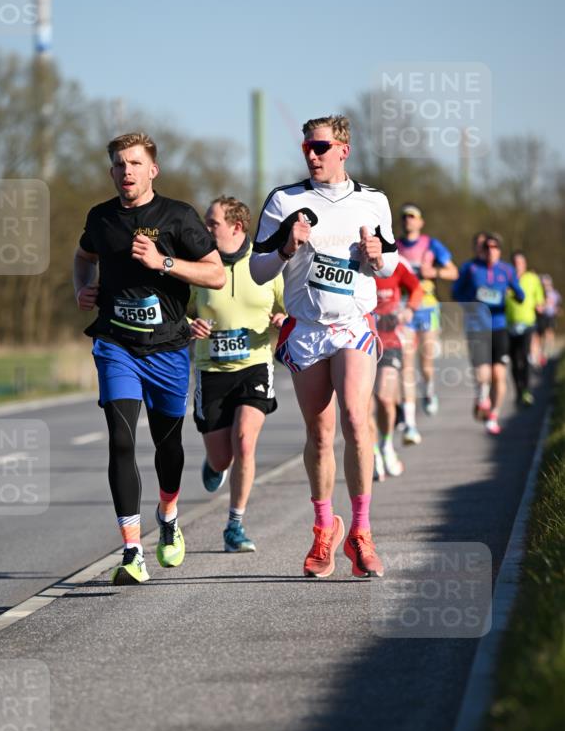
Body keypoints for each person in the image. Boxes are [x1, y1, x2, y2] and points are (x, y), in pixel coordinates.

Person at [250, 114, 399, 579]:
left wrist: (377, 257)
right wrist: (286, 250)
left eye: (320, 147)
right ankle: (323, 527)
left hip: (353, 324)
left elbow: (390, 265)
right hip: (307, 329)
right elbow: (257, 270)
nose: (312, 155)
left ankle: (361, 531)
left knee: (356, 419)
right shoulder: (284, 201)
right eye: (306, 148)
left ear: (343, 151)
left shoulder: (373, 201)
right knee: (319, 434)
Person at [74, 132, 225, 585]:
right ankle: (132, 550)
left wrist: (164, 263)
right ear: (112, 171)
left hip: (169, 348)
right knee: (121, 440)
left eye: (135, 164)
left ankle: (169, 514)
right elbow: (83, 257)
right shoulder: (100, 218)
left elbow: (216, 273)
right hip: (116, 344)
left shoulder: (178, 217)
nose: (127, 172)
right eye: (119, 165)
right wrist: (81, 287)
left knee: (168, 447)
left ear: (152, 169)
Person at [189, 196, 285, 552]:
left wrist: (282, 320)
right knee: (221, 458)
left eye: (211, 223)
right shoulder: (197, 266)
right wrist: (189, 324)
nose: (205, 229)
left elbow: (290, 309)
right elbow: (176, 312)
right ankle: (215, 465)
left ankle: (235, 525)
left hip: (255, 364)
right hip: (211, 371)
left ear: (236, 227)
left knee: (245, 440)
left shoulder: (264, 265)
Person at [395, 204, 457, 442]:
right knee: (406, 365)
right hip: (406, 309)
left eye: (412, 217)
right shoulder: (396, 246)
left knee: (427, 362)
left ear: (420, 222)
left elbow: (454, 272)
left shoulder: (432, 245)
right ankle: (410, 423)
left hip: (429, 307)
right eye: (404, 217)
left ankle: (429, 390)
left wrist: (435, 273)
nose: (408, 221)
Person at [453, 232, 524, 435]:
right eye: (487, 247)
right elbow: (456, 292)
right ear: (482, 250)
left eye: (494, 247)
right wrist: (471, 302)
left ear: (500, 250)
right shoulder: (471, 268)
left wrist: (517, 295)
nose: (490, 251)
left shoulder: (507, 270)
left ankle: (493, 415)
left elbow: (519, 293)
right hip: (477, 326)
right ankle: (482, 396)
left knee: (498, 374)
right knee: (482, 372)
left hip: (499, 327)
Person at [372, 260, 424, 480]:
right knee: (361, 407)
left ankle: (386, 445)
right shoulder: (352, 261)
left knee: (384, 398)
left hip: (390, 341)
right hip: (358, 340)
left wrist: (409, 310)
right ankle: (373, 453)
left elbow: (416, 289)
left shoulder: (396, 265)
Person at [505, 251, 545, 406]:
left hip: (527, 323)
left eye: (520, 263)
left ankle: (527, 390)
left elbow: (539, 299)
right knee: (514, 361)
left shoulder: (532, 279)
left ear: (525, 264)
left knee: (525, 356)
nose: (517, 266)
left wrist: (540, 306)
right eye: (514, 263)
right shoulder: (506, 279)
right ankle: (518, 390)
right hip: (509, 324)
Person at [536, 274, 562, 364]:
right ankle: (541, 352)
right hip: (542, 316)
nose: (545, 285)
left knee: (549, 332)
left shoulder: (555, 294)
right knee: (540, 335)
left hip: (550, 316)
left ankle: (548, 351)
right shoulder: (541, 292)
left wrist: (556, 310)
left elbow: (558, 305)